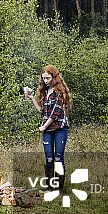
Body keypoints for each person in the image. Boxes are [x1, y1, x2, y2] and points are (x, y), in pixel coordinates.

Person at [25, 65, 71, 193]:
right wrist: (32, 98)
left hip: (59, 128)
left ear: (54, 77)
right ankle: (49, 187)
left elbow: (55, 113)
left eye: (48, 78)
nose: (45, 81)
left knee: (58, 157)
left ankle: (59, 188)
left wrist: (44, 126)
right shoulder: (45, 93)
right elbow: (42, 111)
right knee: (49, 158)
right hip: (47, 131)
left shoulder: (59, 92)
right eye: (43, 78)